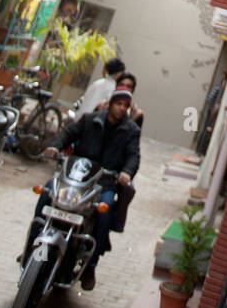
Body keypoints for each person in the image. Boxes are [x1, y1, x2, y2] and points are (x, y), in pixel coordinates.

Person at [23, 87, 140, 291]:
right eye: (118, 103)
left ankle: (90, 266)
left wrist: (126, 173)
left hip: (104, 182)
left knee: (104, 214)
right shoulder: (90, 120)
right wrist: (55, 146)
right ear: (110, 103)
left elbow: (133, 156)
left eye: (125, 105)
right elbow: (68, 133)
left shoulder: (131, 131)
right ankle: (31, 247)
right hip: (75, 177)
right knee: (47, 193)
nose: (121, 108)